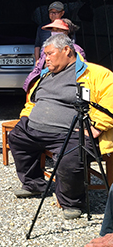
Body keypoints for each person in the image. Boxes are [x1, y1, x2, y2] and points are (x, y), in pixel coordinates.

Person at [9, 34, 113, 219]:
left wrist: (96, 127)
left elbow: (110, 101)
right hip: (34, 128)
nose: (45, 58)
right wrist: (25, 117)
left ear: (67, 50)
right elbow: (33, 100)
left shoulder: (96, 73)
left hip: (70, 133)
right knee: (16, 137)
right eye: (44, 55)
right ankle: (34, 184)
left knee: (70, 157)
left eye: (49, 54)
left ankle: (72, 201)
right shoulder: (46, 75)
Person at [23, 18, 84, 92]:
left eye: (58, 30)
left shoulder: (75, 50)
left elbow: (82, 70)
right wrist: (30, 85)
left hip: (63, 87)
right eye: (53, 30)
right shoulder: (46, 49)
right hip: (45, 85)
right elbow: (38, 69)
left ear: (66, 32)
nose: (55, 32)